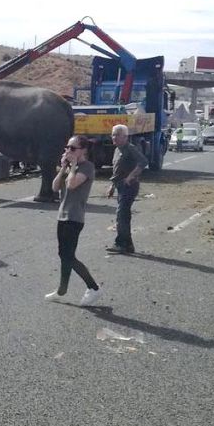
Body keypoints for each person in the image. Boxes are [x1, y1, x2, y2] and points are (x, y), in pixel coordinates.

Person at [44, 135, 102, 307]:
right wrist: (63, 168)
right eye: (67, 148)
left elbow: (72, 185)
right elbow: (55, 187)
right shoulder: (69, 167)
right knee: (64, 255)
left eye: (72, 148)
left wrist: (74, 166)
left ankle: (93, 287)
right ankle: (62, 290)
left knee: (68, 256)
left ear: (83, 150)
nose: (68, 151)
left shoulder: (87, 167)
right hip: (62, 216)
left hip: (75, 217)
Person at [106, 124, 148, 254]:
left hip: (129, 186)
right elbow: (117, 170)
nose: (114, 137)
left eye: (117, 134)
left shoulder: (130, 148)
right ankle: (128, 245)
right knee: (124, 215)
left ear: (125, 136)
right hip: (120, 185)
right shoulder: (117, 150)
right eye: (113, 134)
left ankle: (121, 243)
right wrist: (112, 186)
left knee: (121, 214)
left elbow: (143, 162)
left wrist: (130, 176)